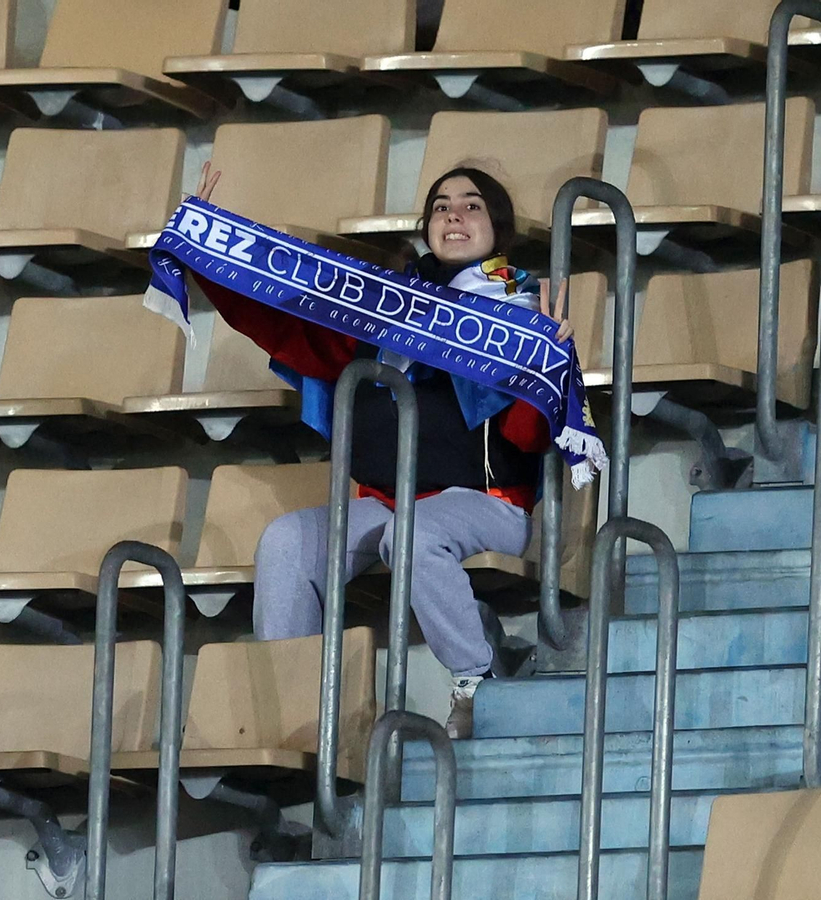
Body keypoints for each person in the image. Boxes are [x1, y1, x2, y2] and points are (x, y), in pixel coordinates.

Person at [193, 162, 573, 739]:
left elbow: (529, 439)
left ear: (498, 226)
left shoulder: (522, 306)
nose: (454, 214)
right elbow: (291, 332)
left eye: (472, 205)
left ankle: (476, 684)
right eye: (441, 206)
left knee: (412, 534)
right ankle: (300, 722)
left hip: (491, 503)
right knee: (286, 541)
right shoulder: (387, 304)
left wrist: (547, 364)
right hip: (387, 501)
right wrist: (208, 255)